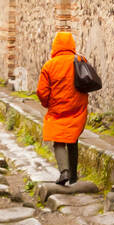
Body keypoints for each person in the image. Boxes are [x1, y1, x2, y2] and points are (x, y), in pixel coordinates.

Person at [37, 30, 88, 184]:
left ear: (55, 46)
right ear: (72, 44)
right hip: (77, 108)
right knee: (73, 139)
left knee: (58, 140)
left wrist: (47, 103)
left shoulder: (49, 66)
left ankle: (64, 171)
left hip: (57, 109)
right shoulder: (80, 60)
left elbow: (42, 91)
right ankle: (73, 176)